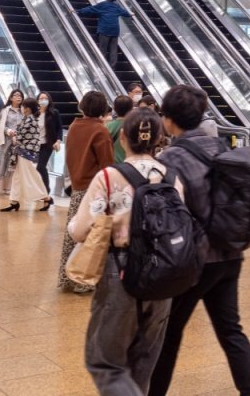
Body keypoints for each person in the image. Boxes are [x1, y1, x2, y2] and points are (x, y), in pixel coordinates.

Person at [149, 86, 250, 396]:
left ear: (170, 120)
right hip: (229, 255)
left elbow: (169, 211)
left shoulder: (171, 157)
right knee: (231, 331)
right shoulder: (219, 146)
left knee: (169, 333)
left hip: (195, 261)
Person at [70, 107, 179, 394]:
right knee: (143, 361)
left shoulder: (109, 177)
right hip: (163, 276)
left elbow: (80, 230)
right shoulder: (171, 176)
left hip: (120, 272)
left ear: (122, 140)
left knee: (105, 362)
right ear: (158, 139)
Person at [58, 91, 115, 293]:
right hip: (95, 190)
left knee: (74, 231)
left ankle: (68, 276)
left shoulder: (74, 126)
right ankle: (82, 279)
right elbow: (107, 164)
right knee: (91, 235)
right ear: (102, 109)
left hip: (77, 185)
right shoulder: (100, 131)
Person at [3, 97, 51, 212]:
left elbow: (21, 135)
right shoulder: (29, 119)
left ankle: (46, 197)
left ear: (28, 109)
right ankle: (14, 201)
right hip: (24, 152)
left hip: (26, 153)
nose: (22, 108)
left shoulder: (30, 120)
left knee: (30, 176)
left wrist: (15, 137)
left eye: (24, 106)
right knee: (18, 177)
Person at [76, 0, 133, 68]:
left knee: (103, 48)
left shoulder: (103, 4)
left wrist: (78, 11)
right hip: (114, 30)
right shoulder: (116, 6)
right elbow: (125, 13)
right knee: (113, 49)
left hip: (104, 29)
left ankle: (102, 65)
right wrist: (131, 14)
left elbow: (91, 9)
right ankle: (113, 65)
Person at [0, 88, 24, 191]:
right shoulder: (5, 111)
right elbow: (1, 126)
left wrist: (18, 135)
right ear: (11, 98)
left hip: (19, 142)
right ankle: (4, 187)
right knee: (4, 163)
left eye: (20, 96)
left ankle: (13, 188)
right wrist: (9, 131)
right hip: (7, 141)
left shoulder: (24, 111)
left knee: (16, 164)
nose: (19, 97)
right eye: (16, 95)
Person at [36, 91, 62, 196]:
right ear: (37, 101)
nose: (43, 100)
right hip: (34, 145)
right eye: (41, 98)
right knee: (36, 168)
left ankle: (46, 190)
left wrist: (58, 140)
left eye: (45, 98)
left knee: (40, 166)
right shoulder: (35, 113)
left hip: (47, 144)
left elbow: (59, 128)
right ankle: (39, 189)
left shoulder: (54, 113)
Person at [106, 95, 133, 164]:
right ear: (131, 108)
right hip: (132, 163)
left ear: (114, 108)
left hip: (114, 164)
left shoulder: (108, 127)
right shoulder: (135, 125)